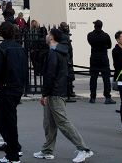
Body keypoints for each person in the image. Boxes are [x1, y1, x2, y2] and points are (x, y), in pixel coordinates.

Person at [35, 27, 95, 162]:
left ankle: (83, 149)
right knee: (49, 123)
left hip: (54, 92)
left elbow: (50, 75)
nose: (45, 36)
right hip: (56, 91)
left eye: (48, 34)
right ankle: (47, 150)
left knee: (62, 122)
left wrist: (45, 93)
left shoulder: (53, 53)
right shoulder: (60, 51)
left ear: (51, 38)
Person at [0, 22, 29, 163]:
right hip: (18, 87)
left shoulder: (1, 49)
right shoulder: (20, 48)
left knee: (9, 122)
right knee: (9, 120)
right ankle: (14, 150)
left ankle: (13, 155)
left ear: (1, 33)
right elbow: (25, 69)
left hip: (7, 88)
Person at [86, 20, 114, 105]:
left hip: (94, 58)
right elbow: (109, 46)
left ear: (95, 26)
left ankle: (92, 97)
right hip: (103, 58)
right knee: (106, 79)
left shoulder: (90, 35)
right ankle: (107, 97)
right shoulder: (105, 36)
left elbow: (90, 43)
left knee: (93, 78)